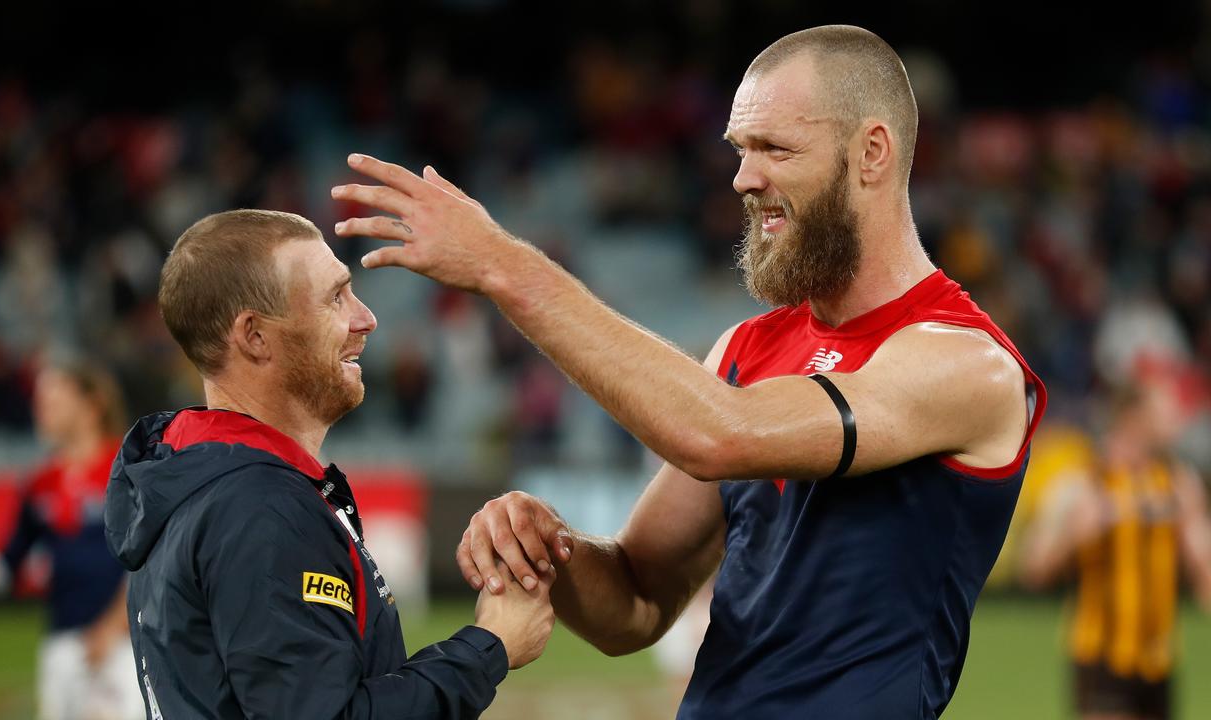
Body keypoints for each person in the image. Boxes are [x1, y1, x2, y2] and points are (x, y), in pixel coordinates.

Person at [332, 24, 1048, 719]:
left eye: (774, 147)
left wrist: (502, 263)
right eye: (740, 149)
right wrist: (553, 546)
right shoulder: (747, 350)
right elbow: (639, 602)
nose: (743, 178)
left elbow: (717, 434)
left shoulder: (965, 363)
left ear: (872, 153)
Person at [102, 209, 554, 719]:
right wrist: (488, 646)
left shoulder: (187, 474)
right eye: (334, 298)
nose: (365, 317)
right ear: (253, 335)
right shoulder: (259, 508)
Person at [0, 359, 142, 720]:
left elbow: (150, 557)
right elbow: (2, 571)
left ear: (91, 404)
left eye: (54, 398)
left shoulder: (128, 471)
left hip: (122, 646)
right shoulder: (40, 484)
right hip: (62, 648)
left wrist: (113, 627)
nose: (42, 409)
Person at [1021, 377, 1211, 720]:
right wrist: (1073, 536)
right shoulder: (1083, 481)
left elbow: (1204, 577)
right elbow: (1034, 567)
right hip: (1101, 659)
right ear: (1134, 416)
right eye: (1166, 408)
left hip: (1159, 662)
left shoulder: (1180, 483)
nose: (1178, 417)